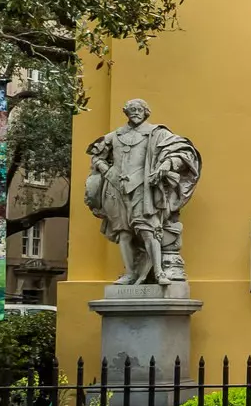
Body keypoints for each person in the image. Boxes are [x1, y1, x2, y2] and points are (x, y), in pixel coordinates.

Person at [85, 99, 202, 287]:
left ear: (146, 112)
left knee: (149, 229)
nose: (135, 113)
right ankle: (130, 274)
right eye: (131, 110)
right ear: (126, 112)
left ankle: (158, 272)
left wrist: (167, 164)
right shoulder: (115, 136)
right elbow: (95, 155)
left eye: (139, 109)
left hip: (144, 187)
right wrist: (106, 170)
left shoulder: (157, 133)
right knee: (123, 232)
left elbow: (182, 153)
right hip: (116, 188)